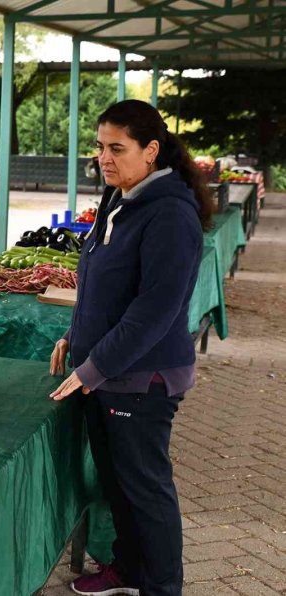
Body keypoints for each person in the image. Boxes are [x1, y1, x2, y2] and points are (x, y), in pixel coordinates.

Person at [49, 100, 215, 596]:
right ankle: (128, 570)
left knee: (146, 489)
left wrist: (93, 366)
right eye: (100, 147)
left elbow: (154, 311)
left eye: (117, 148)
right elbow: (101, 281)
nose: (104, 158)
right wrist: (74, 337)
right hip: (109, 374)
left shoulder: (170, 215)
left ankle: (162, 587)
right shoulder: (119, 195)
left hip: (143, 378)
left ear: (151, 150)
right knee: (118, 484)